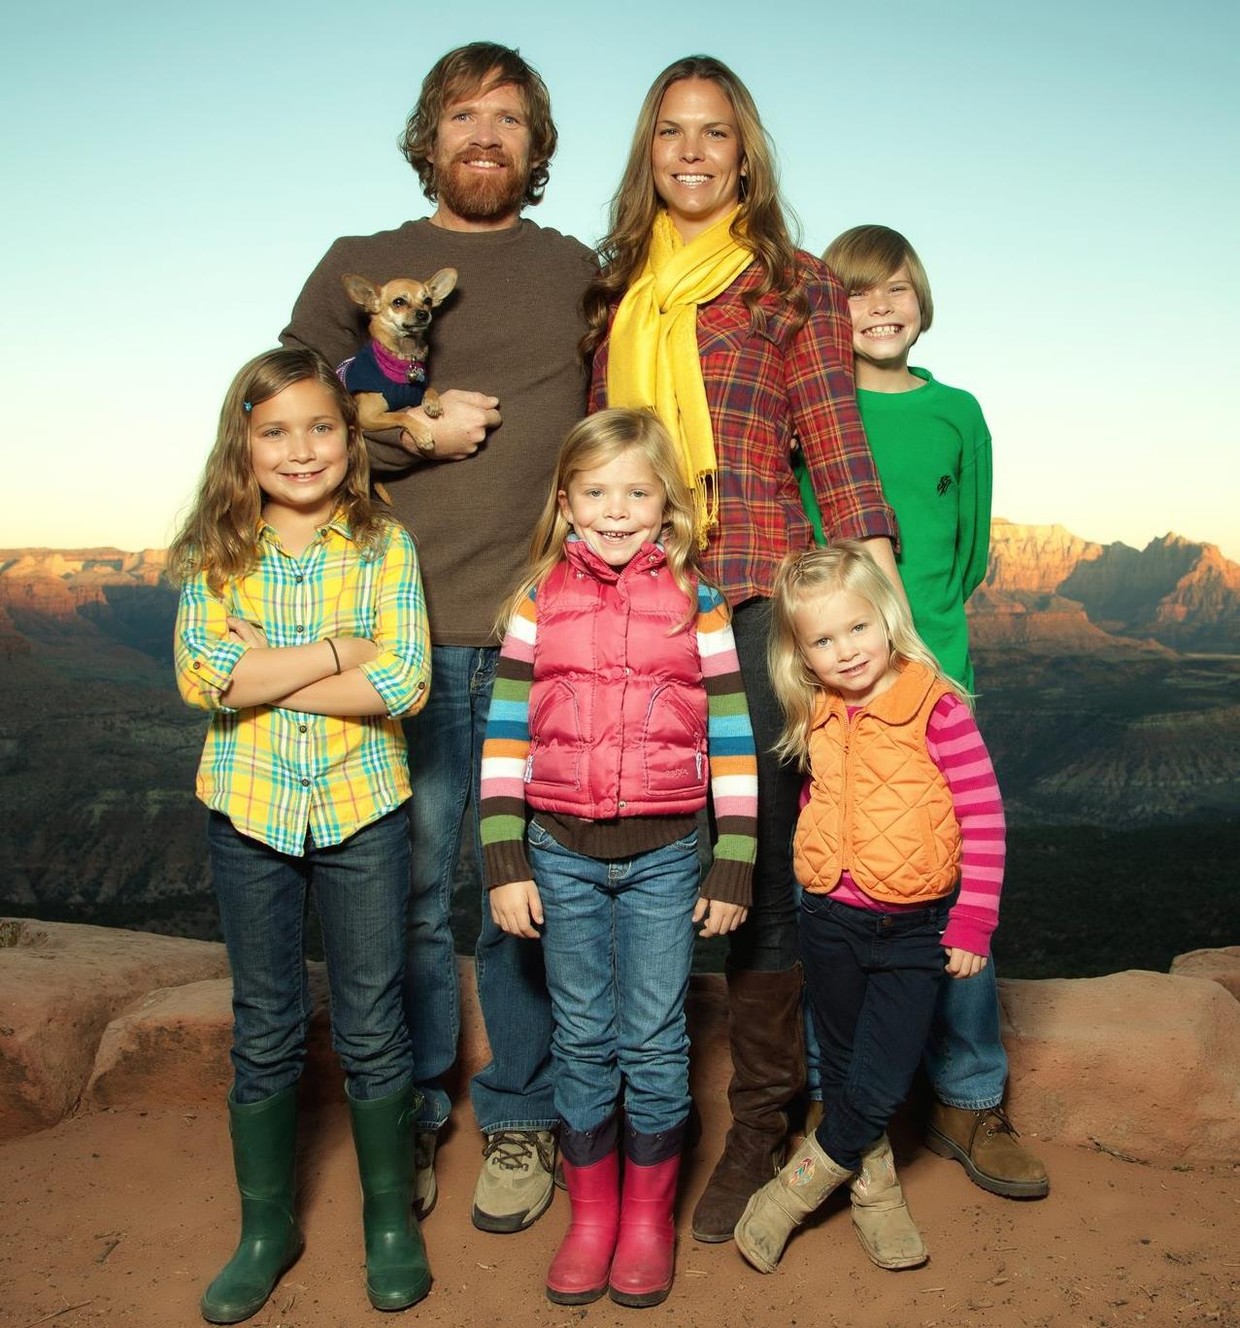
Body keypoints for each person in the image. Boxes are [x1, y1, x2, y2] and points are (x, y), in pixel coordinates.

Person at [584, 54, 902, 1243]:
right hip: (626, 604)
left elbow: (836, 447)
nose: (693, 152)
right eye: (671, 132)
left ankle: (764, 1125)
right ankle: (617, 1122)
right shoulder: (614, 286)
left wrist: (886, 623)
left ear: (745, 150)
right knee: (641, 849)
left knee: (760, 870)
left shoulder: (794, 283)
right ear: (649, 150)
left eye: (714, 133)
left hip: (754, 598)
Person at [281, 41, 596, 1234]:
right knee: (410, 893)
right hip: (384, 644)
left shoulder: (577, 272)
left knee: (521, 888)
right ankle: (409, 1112)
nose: (486, 133)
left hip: (534, 634)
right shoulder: (355, 265)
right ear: (429, 135)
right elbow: (276, 416)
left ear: (535, 145)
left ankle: (520, 1116)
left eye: (511, 118)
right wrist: (407, 434)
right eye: (465, 113)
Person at [170, 348, 433, 1320]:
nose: (302, 448)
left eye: (321, 425)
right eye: (276, 430)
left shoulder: (380, 543)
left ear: (350, 434)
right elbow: (205, 680)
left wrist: (268, 667)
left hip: (363, 804)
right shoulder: (218, 548)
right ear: (243, 443)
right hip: (248, 810)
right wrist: (336, 652)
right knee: (267, 1019)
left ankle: (388, 1219)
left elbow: (404, 682)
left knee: (371, 1014)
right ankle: (266, 1225)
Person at [479, 408, 759, 1307]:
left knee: (653, 1037)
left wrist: (736, 857)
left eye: (636, 492)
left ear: (667, 505)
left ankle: (645, 1217)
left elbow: (733, 736)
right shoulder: (536, 600)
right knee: (584, 1034)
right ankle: (591, 1214)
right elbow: (505, 734)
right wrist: (503, 859)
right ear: (566, 502)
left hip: (669, 853)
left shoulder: (698, 602)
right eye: (596, 492)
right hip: (556, 851)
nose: (615, 509)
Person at [803, 224, 1047, 1198]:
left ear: (922, 298)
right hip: (836, 689)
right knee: (838, 878)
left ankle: (968, 1096)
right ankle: (843, 1104)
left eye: (897, 287)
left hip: (936, 677)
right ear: (834, 308)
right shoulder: (815, 409)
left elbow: (971, 554)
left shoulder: (957, 412)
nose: (880, 305)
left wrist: (927, 652)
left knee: (952, 882)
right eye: (858, 291)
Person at [734, 542, 1006, 1275]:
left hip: (914, 929)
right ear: (802, 655)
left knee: (882, 1077)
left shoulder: (935, 705)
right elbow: (822, 801)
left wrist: (972, 919)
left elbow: (983, 817)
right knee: (846, 1061)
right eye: (822, 640)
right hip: (828, 921)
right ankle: (875, 1189)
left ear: (886, 617)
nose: (845, 651)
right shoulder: (818, 711)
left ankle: (793, 1193)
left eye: (856, 628)